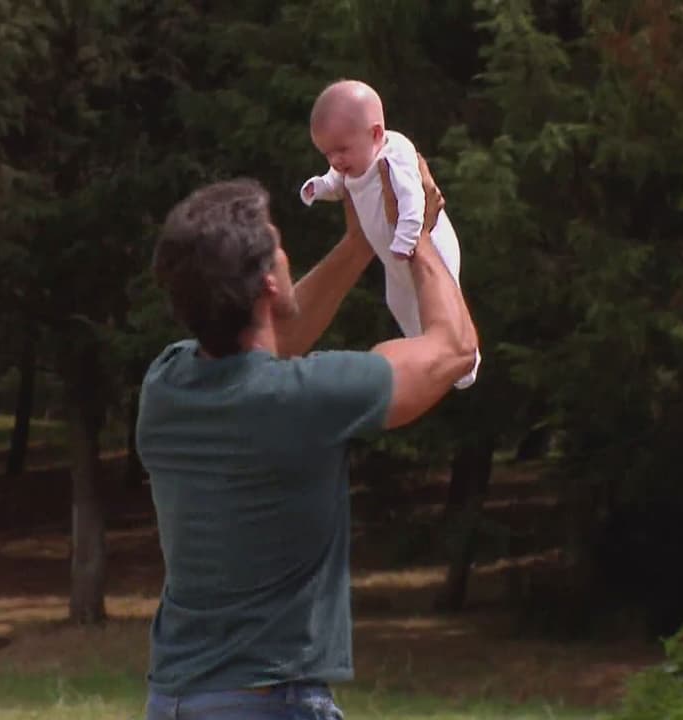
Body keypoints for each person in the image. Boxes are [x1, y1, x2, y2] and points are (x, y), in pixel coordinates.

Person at [136, 154, 479, 720]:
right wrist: (415, 237)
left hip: (177, 700)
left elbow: (275, 335)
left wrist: (360, 243)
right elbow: (454, 350)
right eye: (278, 244)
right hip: (269, 700)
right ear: (268, 282)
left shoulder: (166, 385)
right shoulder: (301, 400)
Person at [300, 78, 480, 390]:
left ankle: (466, 360)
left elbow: (415, 201)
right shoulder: (353, 163)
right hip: (394, 258)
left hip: (428, 246)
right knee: (399, 302)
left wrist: (408, 240)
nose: (336, 161)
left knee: (441, 301)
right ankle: (432, 358)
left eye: (342, 150)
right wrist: (320, 187)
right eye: (328, 154)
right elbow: (336, 182)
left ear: (375, 134)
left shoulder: (394, 156)